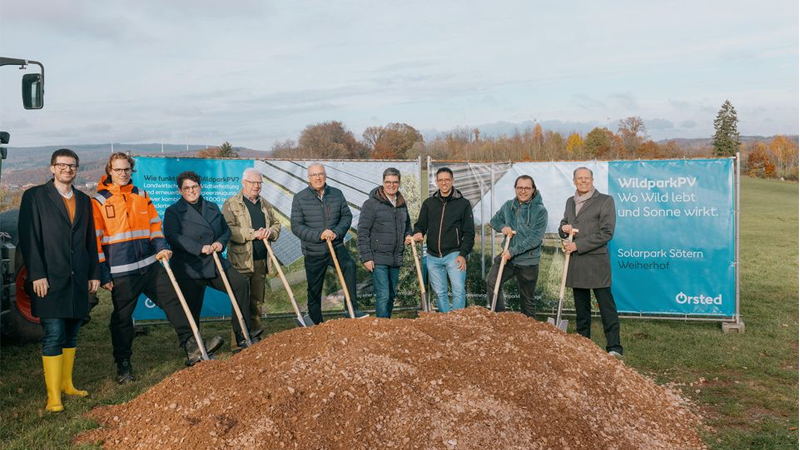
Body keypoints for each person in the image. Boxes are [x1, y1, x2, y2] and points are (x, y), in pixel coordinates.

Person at [93, 153, 222, 383]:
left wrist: (161, 246)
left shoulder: (142, 196)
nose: (122, 174)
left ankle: (193, 347)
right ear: (109, 171)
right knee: (122, 318)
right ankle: (123, 365)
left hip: (151, 266)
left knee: (175, 302)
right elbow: (95, 240)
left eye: (126, 170)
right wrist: (103, 273)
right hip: (122, 272)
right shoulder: (99, 201)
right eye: (118, 170)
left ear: (131, 170)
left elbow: (154, 227)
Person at [18, 149, 100, 412]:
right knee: (54, 334)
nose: (68, 169)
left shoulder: (85, 200)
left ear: (77, 169)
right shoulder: (35, 197)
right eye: (62, 165)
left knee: (72, 333)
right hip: (49, 278)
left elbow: (90, 240)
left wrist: (94, 273)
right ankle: (53, 396)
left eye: (72, 165)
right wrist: (37, 274)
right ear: (52, 168)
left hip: (78, 277)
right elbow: (30, 238)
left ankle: (68, 384)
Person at [164, 171, 260, 352]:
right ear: (180, 191)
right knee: (191, 310)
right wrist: (198, 248)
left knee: (240, 285)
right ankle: (195, 350)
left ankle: (243, 335)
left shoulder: (212, 207)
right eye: (186, 188)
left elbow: (226, 231)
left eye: (194, 187)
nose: (191, 191)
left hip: (214, 262)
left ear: (200, 187)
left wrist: (219, 243)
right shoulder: (173, 212)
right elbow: (172, 236)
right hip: (190, 267)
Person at [290, 163, 368, 324]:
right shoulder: (300, 198)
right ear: (309, 178)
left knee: (349, 267)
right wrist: (320, 235)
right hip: (314, 251)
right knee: (314, 289)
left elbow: (346, 217)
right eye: (314, 175)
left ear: (325, 175)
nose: (318, 177)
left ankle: (351, 309)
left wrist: (336, 233)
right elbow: (296, 227)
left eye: (321, 174)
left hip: (336, 246)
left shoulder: (337, 194)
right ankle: (316, 322)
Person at [559, 167, 623, 357]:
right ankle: (583, 344)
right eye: (580, 178)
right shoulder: (570, 202)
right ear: (574, 180)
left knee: (606, 306)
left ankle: (614, 347)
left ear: (592, 180)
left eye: (586, 178)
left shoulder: (605, 201)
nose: (583, 181)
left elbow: (606, 233)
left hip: (596, 263)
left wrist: (578, 245)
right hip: (577, 263)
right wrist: (564, 229)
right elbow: (564, 224)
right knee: (581, 308)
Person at [222, 168, 281, 335]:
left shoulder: (265, 204)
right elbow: (228, 229)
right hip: (241, 261)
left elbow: (277, 224)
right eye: (252, 182)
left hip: (260, 260)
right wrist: (252, 233)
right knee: (241, 303)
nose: (256, 186)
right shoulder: (231, 204)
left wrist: (270, 232)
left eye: (259, 183)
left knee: (257, 302)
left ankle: (256, 338)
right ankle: (239, 342)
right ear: (243, 182)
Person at [411, 167, 475, 312]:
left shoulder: (463, 204)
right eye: (440, 180)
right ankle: (446, 324)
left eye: (447, 179)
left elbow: (469, 233)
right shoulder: (429, 203)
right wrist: (418, 233)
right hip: (433, 257)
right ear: (436, 182)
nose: (444, 183)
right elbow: (420, 225)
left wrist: (463, 254)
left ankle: (457, 324)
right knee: (440, 294)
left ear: (453, 181)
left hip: (454, 255)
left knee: (458, 291)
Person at [486, 175, 548, 317]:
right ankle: (500, 318)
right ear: (515, 189)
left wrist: (512, 252)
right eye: (520, 187)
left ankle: (528, 330)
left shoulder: (540, 211)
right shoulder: (509, 205)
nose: (523, 191)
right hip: (507, 258)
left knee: (527, 299)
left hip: (528, 261)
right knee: (493, 283)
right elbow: (494, 221)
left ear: (533, 190)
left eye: (527, 188)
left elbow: (535, 239)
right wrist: (503, 227)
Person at [357, 167, 412, 318]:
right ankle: (382, 327)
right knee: (383, 295)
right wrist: (366, 257)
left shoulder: (401, 204)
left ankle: (386, 324)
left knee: (391, 295)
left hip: (395, 257)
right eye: (388, 182)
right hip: (378, 258)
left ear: (399, 183)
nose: (391, 185)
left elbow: (407, 226)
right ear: (382, 182)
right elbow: (362, 232)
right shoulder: (371, 204)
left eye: (395, 182)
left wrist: (408, 235)